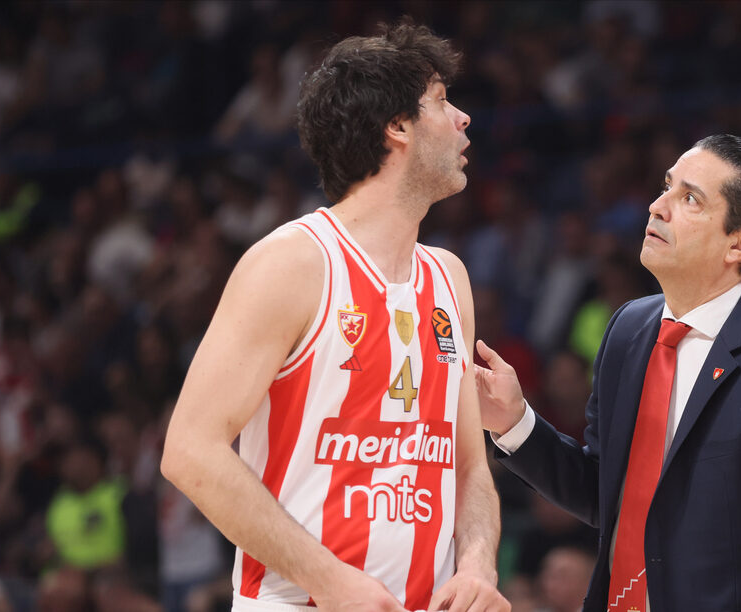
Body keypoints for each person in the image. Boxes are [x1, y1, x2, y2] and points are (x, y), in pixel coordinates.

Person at [161, 22, 508, 612]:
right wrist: (330, 580)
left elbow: (470, 465)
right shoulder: (292, 262)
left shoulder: (449, 277)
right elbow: (190, 452)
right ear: (396, 127)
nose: (463, 118)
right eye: (442, 100)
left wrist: (477, 566)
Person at [477, 134, 741, 610]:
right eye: (666, 187)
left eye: (689, 198)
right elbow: (606, 494)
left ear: (739, 243)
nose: (657, 207)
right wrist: (515, 423)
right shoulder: (627, 328)